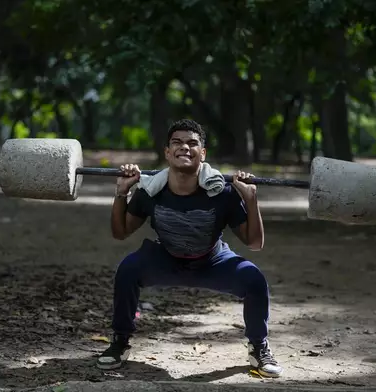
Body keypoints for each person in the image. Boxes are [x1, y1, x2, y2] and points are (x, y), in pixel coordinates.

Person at [96, 119, 283, 378]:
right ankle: (120, 341)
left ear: (202, 154)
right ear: (167, 152)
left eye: (192, 143)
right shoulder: (150, 191)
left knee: (253, 279)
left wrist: (251, 200)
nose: (185, 147)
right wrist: (121, 193)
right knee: (128, 269)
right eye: (177, 142)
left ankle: (258, 347)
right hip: (166, 259)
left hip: (212, 261)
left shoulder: (223, 192)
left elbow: (255, 243)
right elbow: (120, 233)